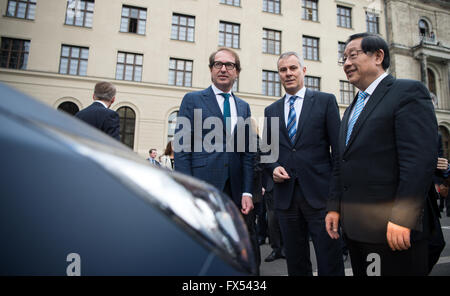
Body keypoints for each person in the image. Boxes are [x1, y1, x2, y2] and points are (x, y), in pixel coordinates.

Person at [325, 33, 438, 276]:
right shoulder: (352, 108)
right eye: (343, 58)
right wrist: (334, 207)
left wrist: (402, 218)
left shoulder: (407, 92)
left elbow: (418, 162)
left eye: (353, 55)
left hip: (393, 231)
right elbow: (341, 162)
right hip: (356, 231)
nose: (346, 63)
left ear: (378, 56)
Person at [174, 47, 257, 273]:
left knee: (232, 247)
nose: (223, 69)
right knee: (201, 245)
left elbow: (249, 152)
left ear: (236, 72)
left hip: (236, 189)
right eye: (218, 64)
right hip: (203, 185)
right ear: (211, 69)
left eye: (229, 65)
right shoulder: (192, 100)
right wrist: (187, 188)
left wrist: (248, 191)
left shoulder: (243, 106)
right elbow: (182, 147)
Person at [262, 51, 344, 276]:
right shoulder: (271, 111)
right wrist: (272, 168)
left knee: (330, 261)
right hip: (286, 200)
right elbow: (266, 152)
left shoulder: (325, 102)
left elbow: (338, 153)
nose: (288, 73)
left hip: (321, 198)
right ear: (278, 74)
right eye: (282, 70)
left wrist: (336, 199)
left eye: (293, 68)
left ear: (303, 71)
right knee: (296, 264)